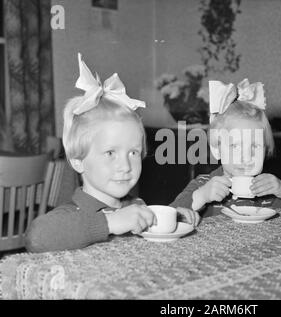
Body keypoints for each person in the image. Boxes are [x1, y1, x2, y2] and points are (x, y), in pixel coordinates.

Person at [25, 53, 199, 253]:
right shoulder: (72, 214)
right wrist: (110, 222)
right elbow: (36, 237)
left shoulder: (136, 205)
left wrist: (174, 217)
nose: (125, 166)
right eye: (110, 153)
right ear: (77, 161)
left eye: (133, 153)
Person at [170, 79, 281, 217]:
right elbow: (171, 215)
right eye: (235, 146)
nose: (246, 157)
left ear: (266, 150)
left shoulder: (271, 190)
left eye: (254, 146)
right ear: (217, 149)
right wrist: (201, 196)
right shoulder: (204, 185)